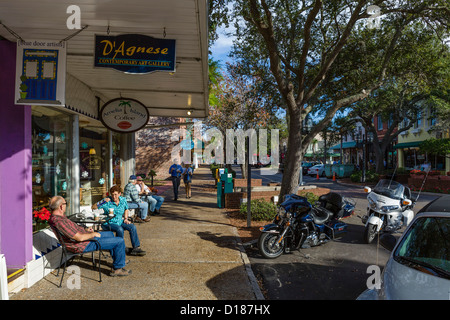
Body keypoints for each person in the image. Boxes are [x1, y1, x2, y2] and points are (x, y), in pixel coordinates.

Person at [48, 196, 131, 277]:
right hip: (82, 245)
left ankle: (118, 260)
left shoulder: (60, 218)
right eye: (66, 203)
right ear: (61, 206)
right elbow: (79, 238)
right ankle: (118, 268)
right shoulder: (59, 221)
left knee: (110, 234)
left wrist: (86, 229)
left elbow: (75, 229)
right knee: (119, 241)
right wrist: (92, 234)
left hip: (84, 239)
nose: (66, 205)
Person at [93, 185, 147, 256]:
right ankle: (120, 248)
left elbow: (126, 209)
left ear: (119, 194)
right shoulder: (107, 201)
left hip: (120, 221)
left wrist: (126, 218)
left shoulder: (123, 200)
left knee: (132, 227)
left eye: (115, 194)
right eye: (112, 195)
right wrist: (102, 201)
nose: (114, 197)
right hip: (109, 222)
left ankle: (136, 248)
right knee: (120, 229)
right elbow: (93, 207)